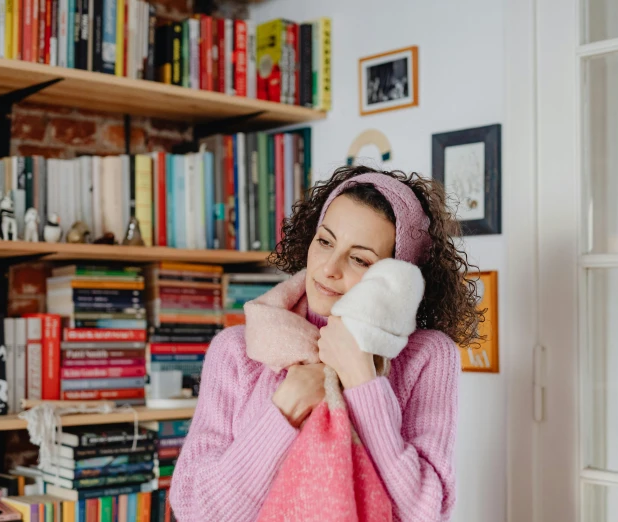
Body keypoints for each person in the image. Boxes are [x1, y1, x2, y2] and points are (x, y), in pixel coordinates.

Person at [169, 165, 483, 521]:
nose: (329, 267)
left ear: (397, 278)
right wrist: (288, 406)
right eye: (325, 241)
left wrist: (363, 381)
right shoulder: (238, 351)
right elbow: (195, 510)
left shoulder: (426, 357)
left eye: (359, 258)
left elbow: (425, 512)